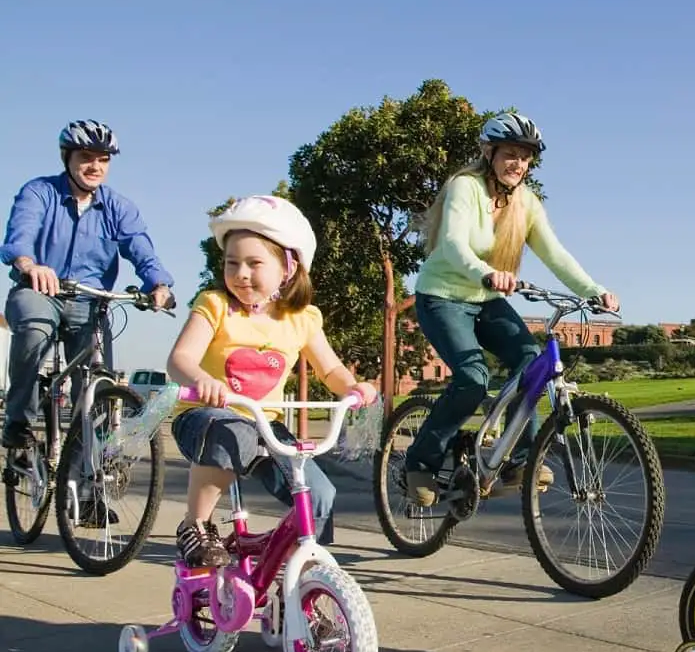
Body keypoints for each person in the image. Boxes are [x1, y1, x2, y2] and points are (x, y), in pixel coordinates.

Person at [403, 112, 618, 505]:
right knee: (472, 377)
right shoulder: (464, 188)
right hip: (442, 296)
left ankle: (519, 462)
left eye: (525, 156)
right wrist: (487, 272)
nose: (518, 163)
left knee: (530, 361)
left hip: (486, 299)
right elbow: (452, 244)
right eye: (510, 154)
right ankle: (420, 462)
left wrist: (594, 290)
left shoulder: (527, 204)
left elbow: (554, 253)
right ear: (490, 153)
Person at [165, 195, 377, 568]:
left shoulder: (302, 318)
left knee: (319, 495)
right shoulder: (215, 305)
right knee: (235, 434)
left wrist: (353, 388)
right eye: (232, 263)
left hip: (266, 425)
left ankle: (305, 576)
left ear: (288, 269)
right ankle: (195, 525)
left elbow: (330, 369)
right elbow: (179, 360)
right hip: (204, 417)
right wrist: (202, 380)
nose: (241, 273)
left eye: (254, 263)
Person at [0, 120, 174, 506]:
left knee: (97, 391)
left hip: (90, 302)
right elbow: (19, 237)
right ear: (68, 158)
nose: (94, 166)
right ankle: (19, 423)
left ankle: (89, 488)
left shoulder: (117, 207)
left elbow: (141, 249)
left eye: (102, 159)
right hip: (39, 290)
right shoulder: (40, 192)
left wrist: (159, 286)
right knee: (33, 330)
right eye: (85, 157)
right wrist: (30, 265)